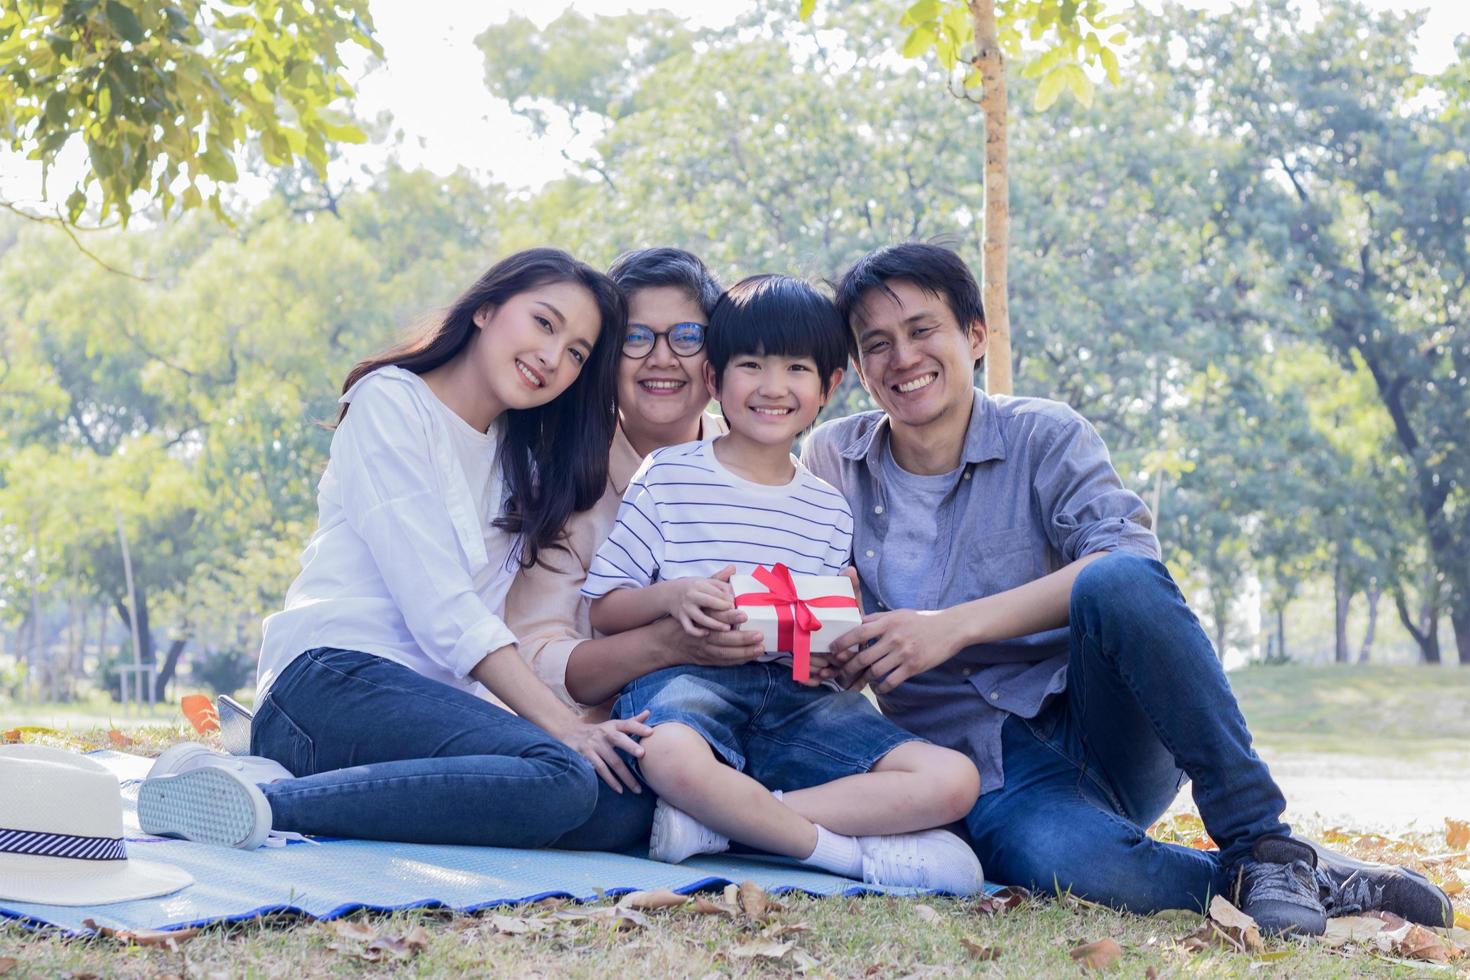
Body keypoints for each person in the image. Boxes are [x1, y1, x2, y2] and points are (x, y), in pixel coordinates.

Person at [800, 241, 1453, 934]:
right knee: (1060, 863)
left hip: (1103, 720)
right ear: (860, 369)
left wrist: (952, 626)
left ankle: (1261, 837)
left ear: (974, 334)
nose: (903, 358)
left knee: (1118, 577)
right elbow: (821, 616)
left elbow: (1128, 558)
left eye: (922, 330)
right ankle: (1290, 877)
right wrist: (834, 652)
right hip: (980, 768)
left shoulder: (1044, 435)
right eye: (878, 343)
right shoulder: (833, 461)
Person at [136, 248, 659, 852]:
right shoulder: (391, 403)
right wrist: (563, 727)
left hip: (430, 707)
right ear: (486, 308)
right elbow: (442, 608)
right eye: (544, 323)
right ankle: (250, 801)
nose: (552, 357)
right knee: (564, 775)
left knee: (622, 807)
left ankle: (280, 783)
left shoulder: (527, 460)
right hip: (330, 679)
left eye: (577, 354)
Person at [581, 275, 986, 894]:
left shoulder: (828, 506)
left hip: (797, 702)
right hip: (688, 685)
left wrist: (835, 646)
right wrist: (675, 596)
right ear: (715, 381)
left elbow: (813, 643)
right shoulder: (667, 475)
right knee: (667, 755)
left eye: (797, 368)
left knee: (952, 778)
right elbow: (603, 611)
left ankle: (730, 823)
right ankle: (845, 858)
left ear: (829, 387)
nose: (773, 388)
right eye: (751, 365)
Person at [504, 248, 764, 717]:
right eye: (635, 338)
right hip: (607, 748)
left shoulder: (761, 455)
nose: (661, 359)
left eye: (688, 336)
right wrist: (668, 644)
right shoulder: (563, 473)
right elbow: (534, 655)